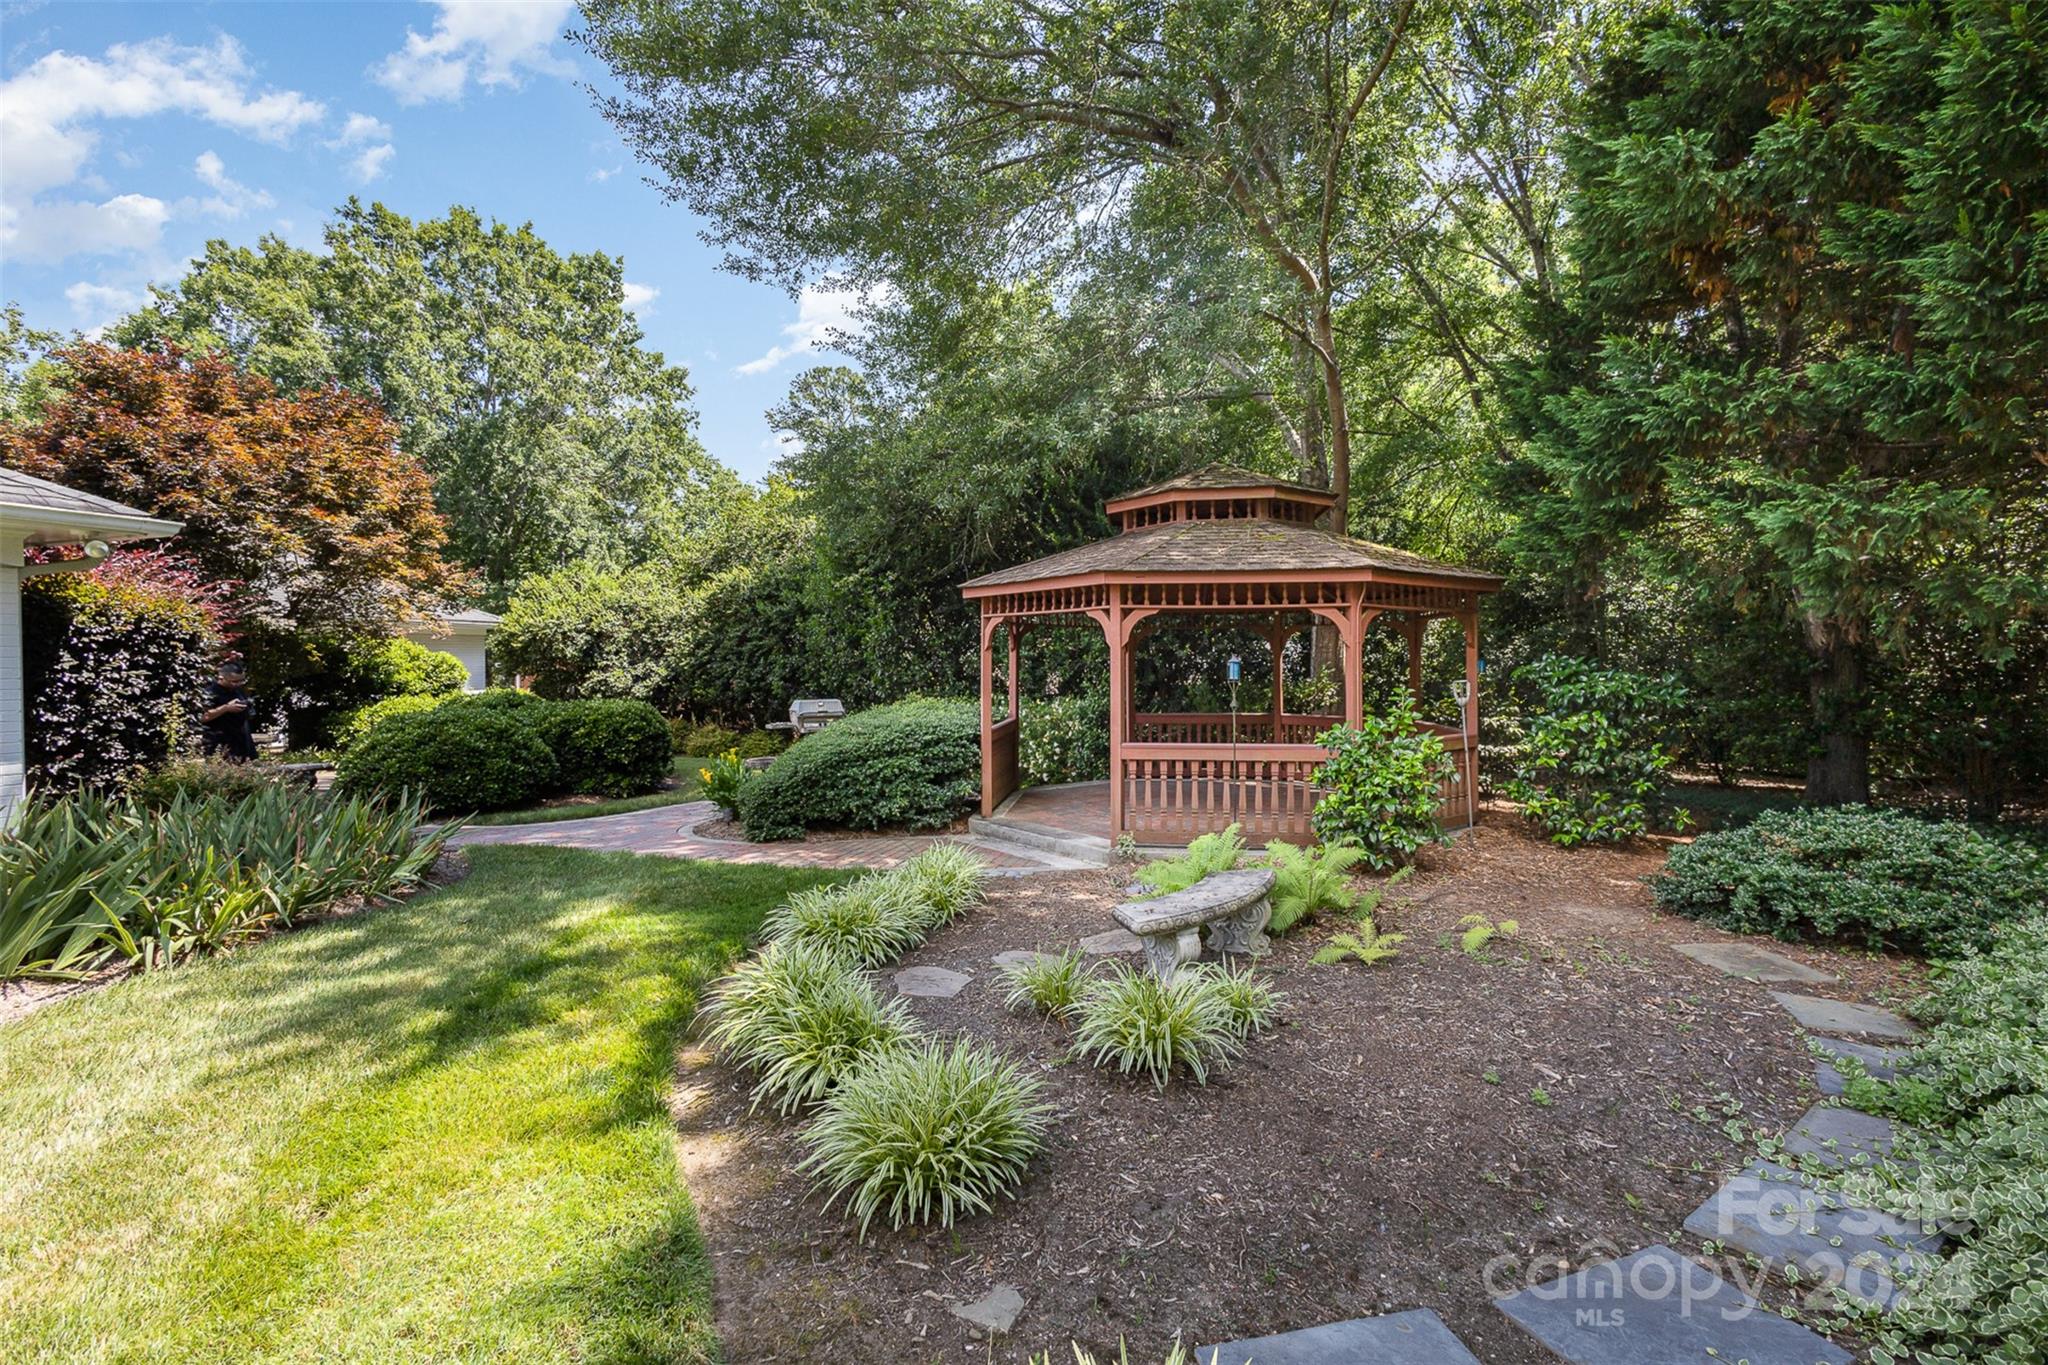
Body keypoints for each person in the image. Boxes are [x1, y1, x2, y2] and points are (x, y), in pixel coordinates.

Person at [199, 659, 258, 762]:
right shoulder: (210, 693)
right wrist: (226, 708)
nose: (238, 684)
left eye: (241, 680)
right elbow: (202, 717)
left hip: (243, 744)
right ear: (221, 678)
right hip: (219, 745)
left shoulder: (238, 691)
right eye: (234, 681)